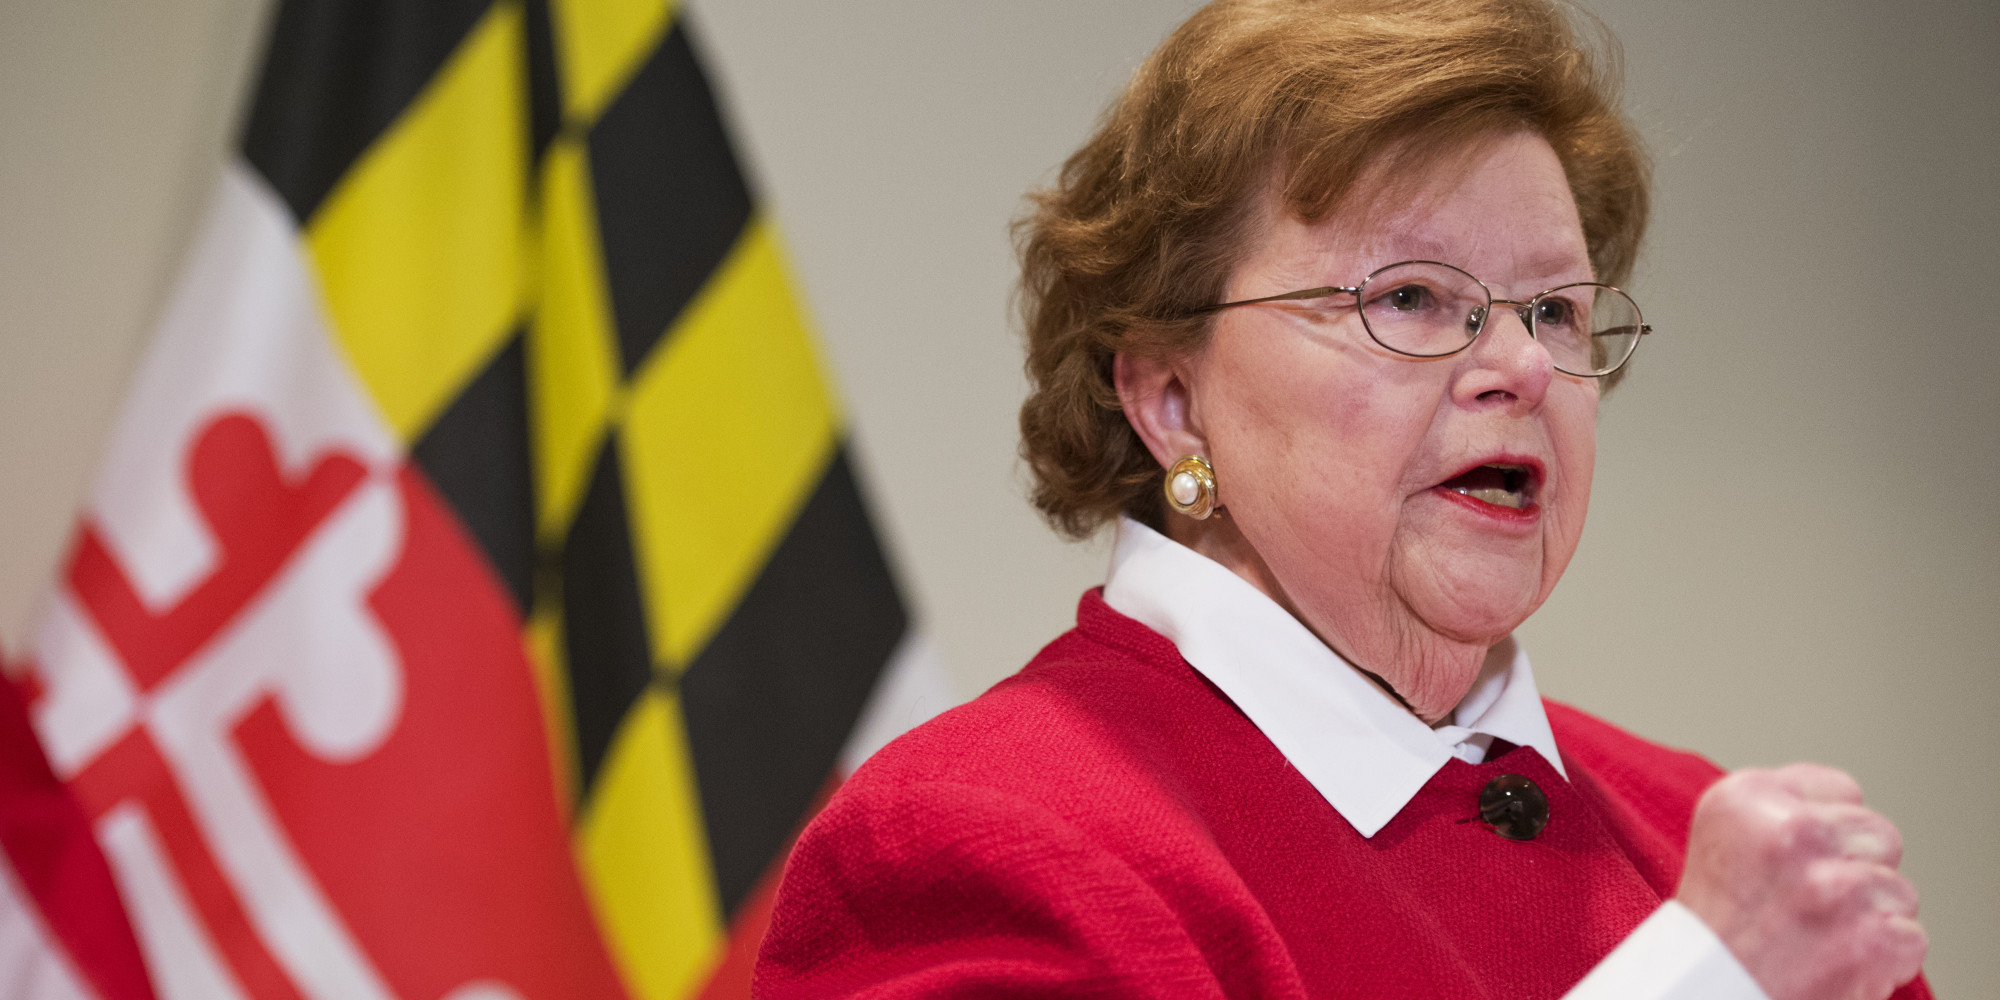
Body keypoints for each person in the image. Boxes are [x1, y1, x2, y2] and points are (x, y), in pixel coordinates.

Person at [753, 0, 1931, 997]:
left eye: (1556, 310)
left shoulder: (1700, 835)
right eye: (1411, 297)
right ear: (1168, 397)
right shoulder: (977, 836)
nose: (1521, 365)